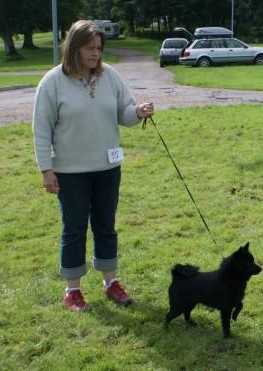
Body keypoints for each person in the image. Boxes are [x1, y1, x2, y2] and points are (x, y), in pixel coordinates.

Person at [33, 20, 154, 312]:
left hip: (107, 169)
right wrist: (46, 170)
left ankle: (111, 283)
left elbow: (124, 113)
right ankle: (72, 290)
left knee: (105, 226)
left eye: (99, 48)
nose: (96, 54)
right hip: (70, 172)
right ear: (74, 48)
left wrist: (138, 112)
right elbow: (41, 129)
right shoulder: (52, 82)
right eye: (90, 48)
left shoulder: (110, 76)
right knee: (74, 229)